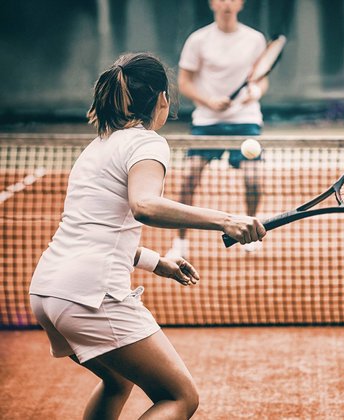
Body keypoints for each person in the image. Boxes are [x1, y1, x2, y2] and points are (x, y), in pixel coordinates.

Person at [29, 52, 265, 420]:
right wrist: (226, 220)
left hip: (48, 292)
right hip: (91, 295)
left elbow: (96, 228)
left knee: (118, 381)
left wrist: (157, 263)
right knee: (179, 396)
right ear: (162, 99)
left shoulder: (98, 146)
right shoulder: (147, 143)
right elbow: (144, 205)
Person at [167, 0, 268, 257]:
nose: (226, 3)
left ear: (241, 3)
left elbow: (260, 78)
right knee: (188, 180)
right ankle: (179, 242)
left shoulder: (255, 39)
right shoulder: (198, 40)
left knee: (253, 180)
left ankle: (251, 229)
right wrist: (208, 101)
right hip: (207, 122)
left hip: (245, 120)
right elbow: (185, 81)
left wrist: (254, 91)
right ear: (212, 3)